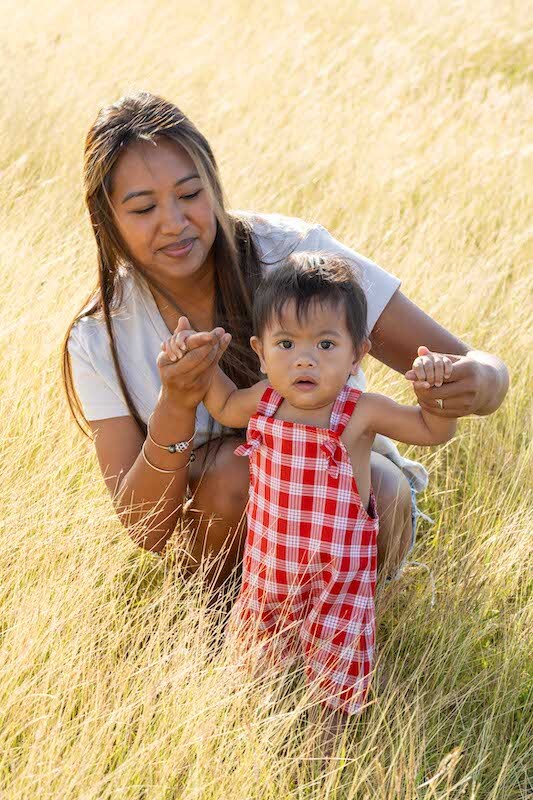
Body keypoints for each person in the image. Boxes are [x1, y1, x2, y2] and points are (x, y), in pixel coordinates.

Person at [63, 90, 509, 596]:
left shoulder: (291, 254)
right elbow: (146, 528)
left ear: (214, 184)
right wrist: (178, 404)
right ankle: (226, 626)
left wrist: (482, 382)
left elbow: (467, 363)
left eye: (190, 194)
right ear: (106, 218)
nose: (174, 222)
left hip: (343, 510)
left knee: (383, 488)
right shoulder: (99, 333)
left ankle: (347, 616)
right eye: (143, 208)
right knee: (238, 469)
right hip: (217, 530)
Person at [161, 252, 458, 753]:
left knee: (336, 667)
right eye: (286, 344)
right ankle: (250, 736)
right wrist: (198, 361)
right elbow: (221, 402)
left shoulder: (359, 411)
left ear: (356, 353)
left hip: (339, 574)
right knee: (257, 661)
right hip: (269, 565)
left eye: (326, 344)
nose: (305, 359)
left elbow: (432, 431)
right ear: (260, 350)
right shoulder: (263, 400)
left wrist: (434, 397)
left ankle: (325, 755)